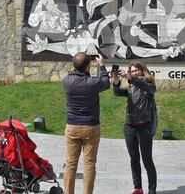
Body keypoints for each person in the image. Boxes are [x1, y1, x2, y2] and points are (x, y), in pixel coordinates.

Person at [62, 52, 110, 194]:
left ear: (73, 65)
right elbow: (106, 83)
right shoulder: (92, 83)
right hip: (91, 127)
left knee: (70, 164)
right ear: (88, 66)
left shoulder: (66, 81)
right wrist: (101, 65)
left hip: (72, 126)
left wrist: (79, 66)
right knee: (89, 164)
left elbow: (75, 73)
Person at [112, 62, 158, 194]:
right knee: (134, 158)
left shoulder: (149, 83)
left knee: (147, 160)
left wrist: (132, 78)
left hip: (145, 126)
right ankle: (138, 188)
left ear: (143, 70)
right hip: (130, 126)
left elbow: (147, 88)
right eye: (132, 71)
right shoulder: (131, 86)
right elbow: (117, 93)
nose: (134, 73)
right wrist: (116, 81)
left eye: (136, 70)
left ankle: (152, 190)